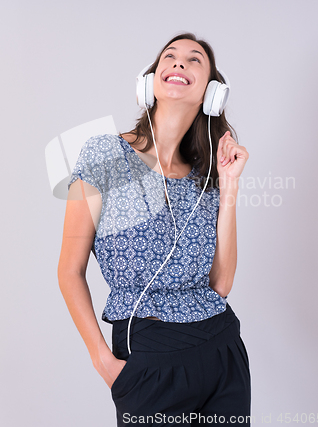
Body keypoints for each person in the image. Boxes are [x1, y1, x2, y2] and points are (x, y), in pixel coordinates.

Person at [58, 32, 251, 426]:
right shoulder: (104, 154)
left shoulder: (206, 177)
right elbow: (69, 270)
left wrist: (229, 188)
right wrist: (103, 361)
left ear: (212, 94)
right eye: (170, 56)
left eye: (195, 59)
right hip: (149, 352)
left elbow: (222, 283)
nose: (179, 63)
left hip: (221, 347)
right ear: (150, 81)